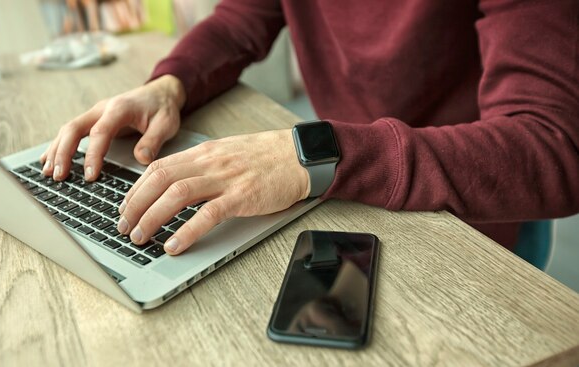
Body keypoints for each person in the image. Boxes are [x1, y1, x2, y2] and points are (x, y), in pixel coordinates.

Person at [39, 1, 579, 256]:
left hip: (472, 215)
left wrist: (317, 152)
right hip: (338, 193)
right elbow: (239, 20)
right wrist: (170, 85)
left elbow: (551, 146)